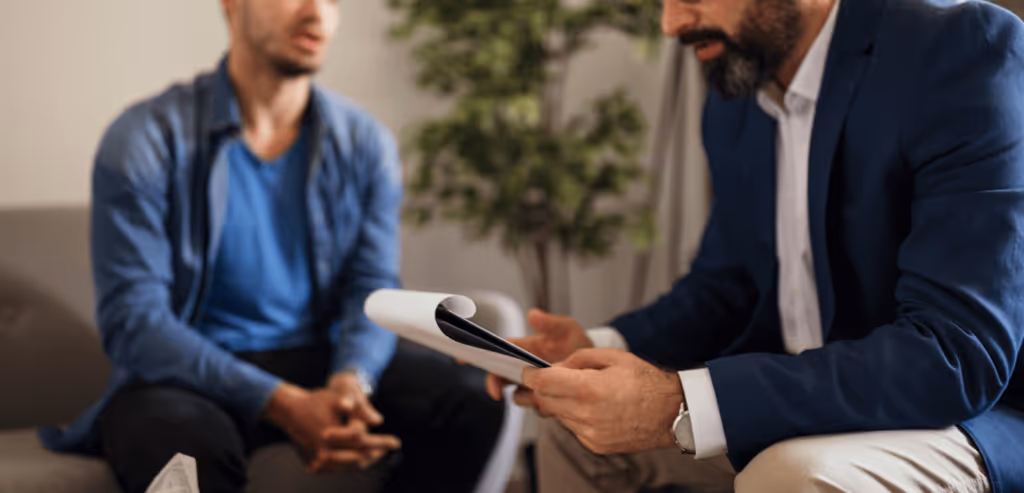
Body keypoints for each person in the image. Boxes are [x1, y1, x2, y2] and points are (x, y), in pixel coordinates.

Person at [487, 0, 1024, 491]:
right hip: (807, 400)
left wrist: (679, 404)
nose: (671, 24)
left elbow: (955, 356)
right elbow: (727, 286)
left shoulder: (962, 49)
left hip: (972, 417)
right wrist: (600, 348)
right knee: (574, 436)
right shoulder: (739, 93)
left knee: (787, 474)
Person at [37, 0, 504, 491]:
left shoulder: (366, 142)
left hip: (317, 356)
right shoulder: (143, 139)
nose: (317, 13)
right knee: (178, 447)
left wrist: (352, 381)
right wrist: (283, 403)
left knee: (472, 399)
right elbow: (135, 324)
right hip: (187, 376)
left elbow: (372, 286)